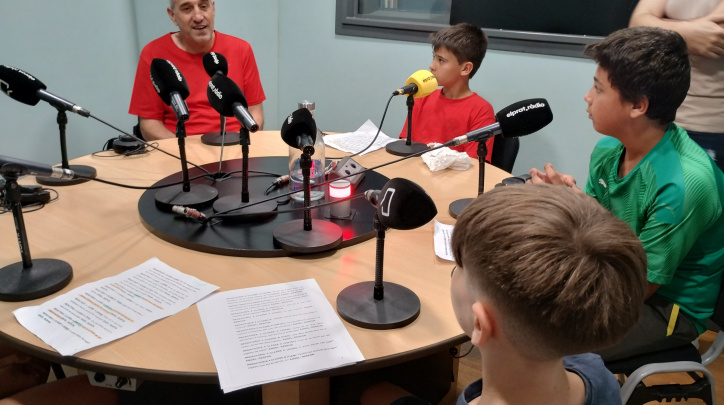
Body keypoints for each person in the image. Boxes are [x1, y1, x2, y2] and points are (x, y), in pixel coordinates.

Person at [529, 27, 724, 362]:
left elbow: (639, 287)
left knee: (547, 344)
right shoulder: (609, 148)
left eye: (598, 88)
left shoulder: (683, 184)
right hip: (617, 271)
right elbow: (600, 227)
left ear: (637, 105)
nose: (587, 97)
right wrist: (569, 201)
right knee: (522, 306)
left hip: (665, 307)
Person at [363, 185, 648, 405]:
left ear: (480, 324)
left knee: (368, 392)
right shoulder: (598, 374)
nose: (454, 271)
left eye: (459, 266)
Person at [128, 0, 266, 140]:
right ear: (173, 16)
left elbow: (255, 113)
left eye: (204, 6)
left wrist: (239, 146)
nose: (198, 17)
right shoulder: (153, 54)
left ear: (213, 8)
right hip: (178, 146)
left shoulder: (241, 49)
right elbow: (149, 125)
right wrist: (182, 150)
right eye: (187, 9)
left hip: (234, 143)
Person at [629, 0, 724, 173]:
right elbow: (636, 25)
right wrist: (687, 34)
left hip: (710, 125)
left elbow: (715, 33)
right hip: (659, 120)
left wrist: (659, 25)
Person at [399, 23, 495, 160]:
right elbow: (405, 144)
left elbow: (473, 164)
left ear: (465, 69)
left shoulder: (481, 111)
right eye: (433, 57)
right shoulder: (422, 96)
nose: (432, 66)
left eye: (441, 60)